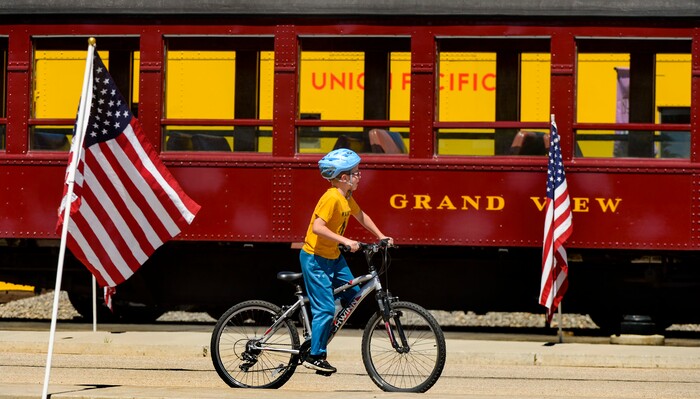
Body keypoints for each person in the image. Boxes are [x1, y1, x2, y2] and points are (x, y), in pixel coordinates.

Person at [300, 148, 393, 374]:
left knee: (354, 295)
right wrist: (346, 240)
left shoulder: (346, 197)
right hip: (315, 258)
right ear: (344, 178)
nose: (359, 176)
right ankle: (315, 355)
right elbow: (317, 227)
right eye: (356, 173)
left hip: (333, 256)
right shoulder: (331, 198)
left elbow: (361, 216)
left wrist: (380, 236)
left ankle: (323, 327)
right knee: (325, 309)